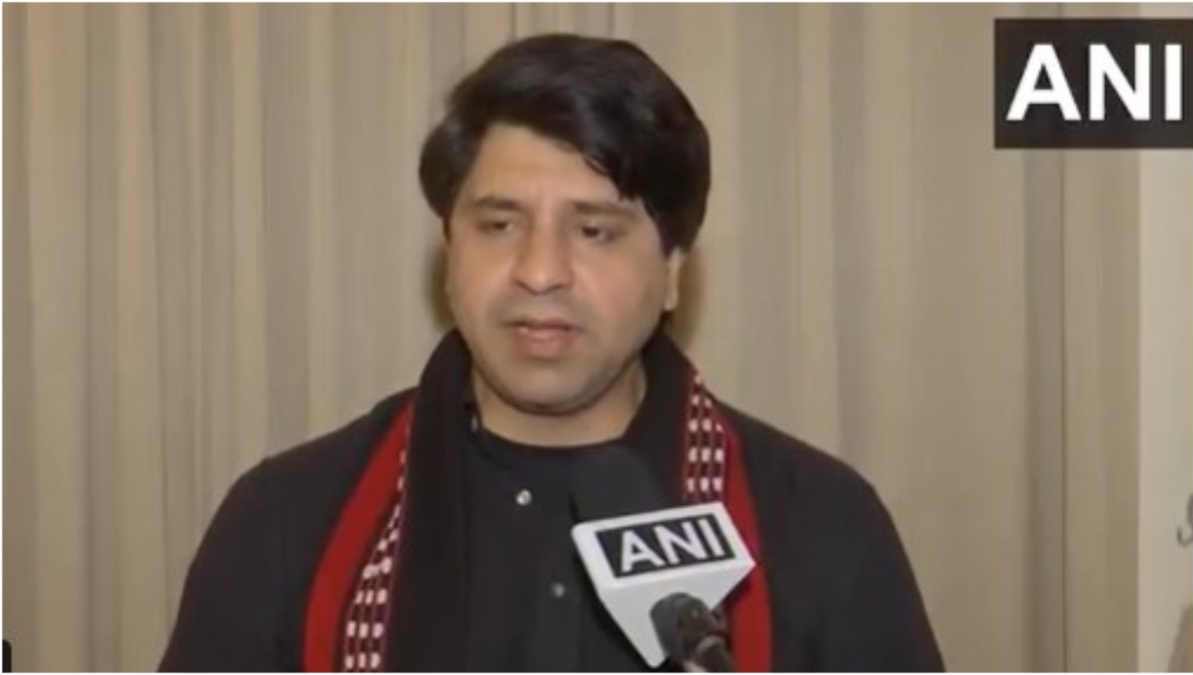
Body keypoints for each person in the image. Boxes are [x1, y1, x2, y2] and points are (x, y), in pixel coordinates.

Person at [160, 33, 943, 672]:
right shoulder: (289, 519)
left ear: (673, 268)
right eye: (499, 225)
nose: (539, 271)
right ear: (449, 249)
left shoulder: (817, 524)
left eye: (594, 231)